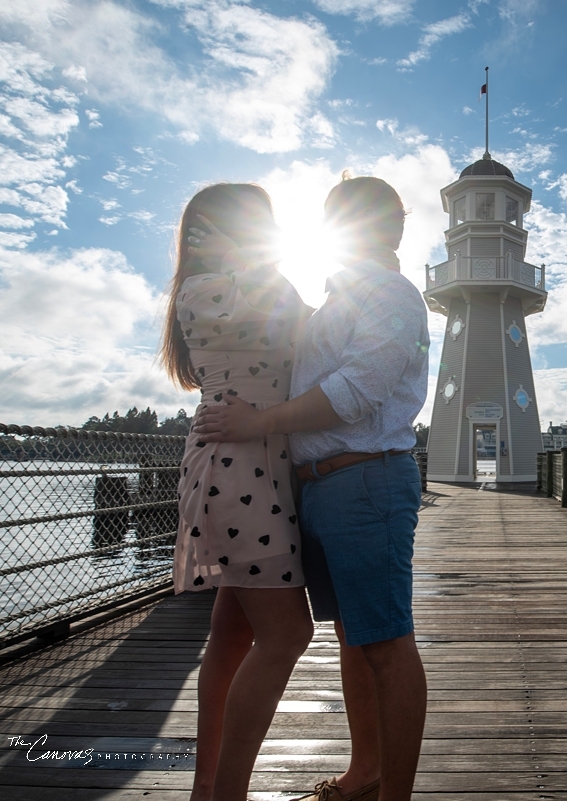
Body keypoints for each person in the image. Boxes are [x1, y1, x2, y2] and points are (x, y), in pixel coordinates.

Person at [195, 175, 430, 801]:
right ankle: (365, 772)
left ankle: (392, 795)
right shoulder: (335, 301)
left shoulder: (392, 294)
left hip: (365, 481)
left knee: (385, 641)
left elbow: (357, 391)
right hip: (319, 489)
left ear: (390, 228)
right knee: (357, 639)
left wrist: (257, 423)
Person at [160, 183, 315, 801]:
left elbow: (296, 325)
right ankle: (226, 793)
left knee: (231, 633)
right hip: (238, 467)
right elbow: (293, 323)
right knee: (287, 635)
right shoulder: (210, 290)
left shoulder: (244, 283)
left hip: (253, 464)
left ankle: (207, 787)